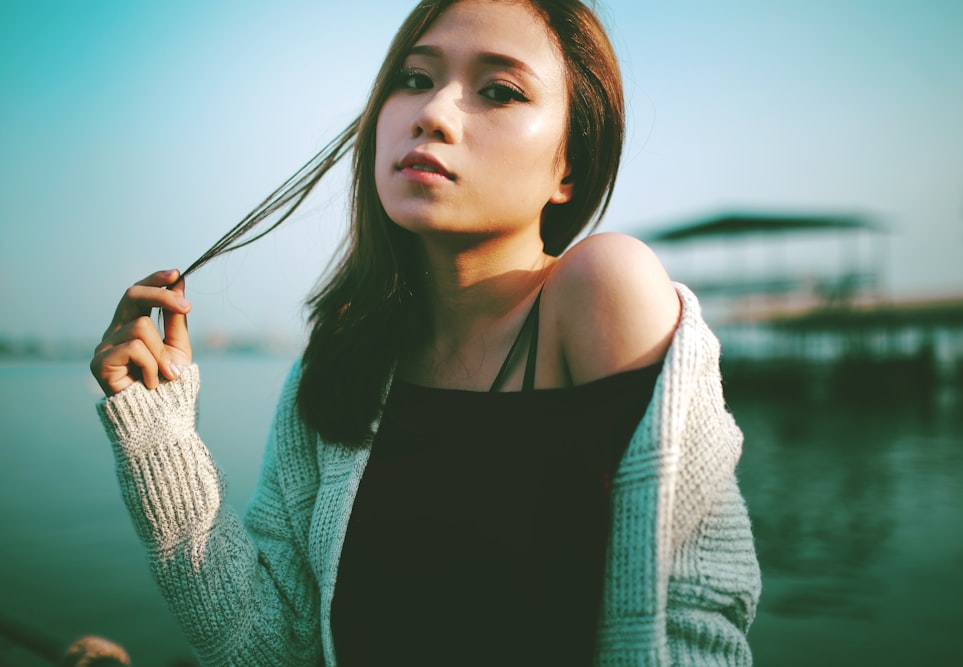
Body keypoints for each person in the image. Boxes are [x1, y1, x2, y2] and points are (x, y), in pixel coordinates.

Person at [91, 0, 761, 664]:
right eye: (414, 79)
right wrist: (157, 429)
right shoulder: (341, 360)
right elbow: (276, 647)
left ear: (570, 169)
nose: (432, 113)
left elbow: (695, 620)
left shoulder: (602, 291)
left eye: (499, 91)